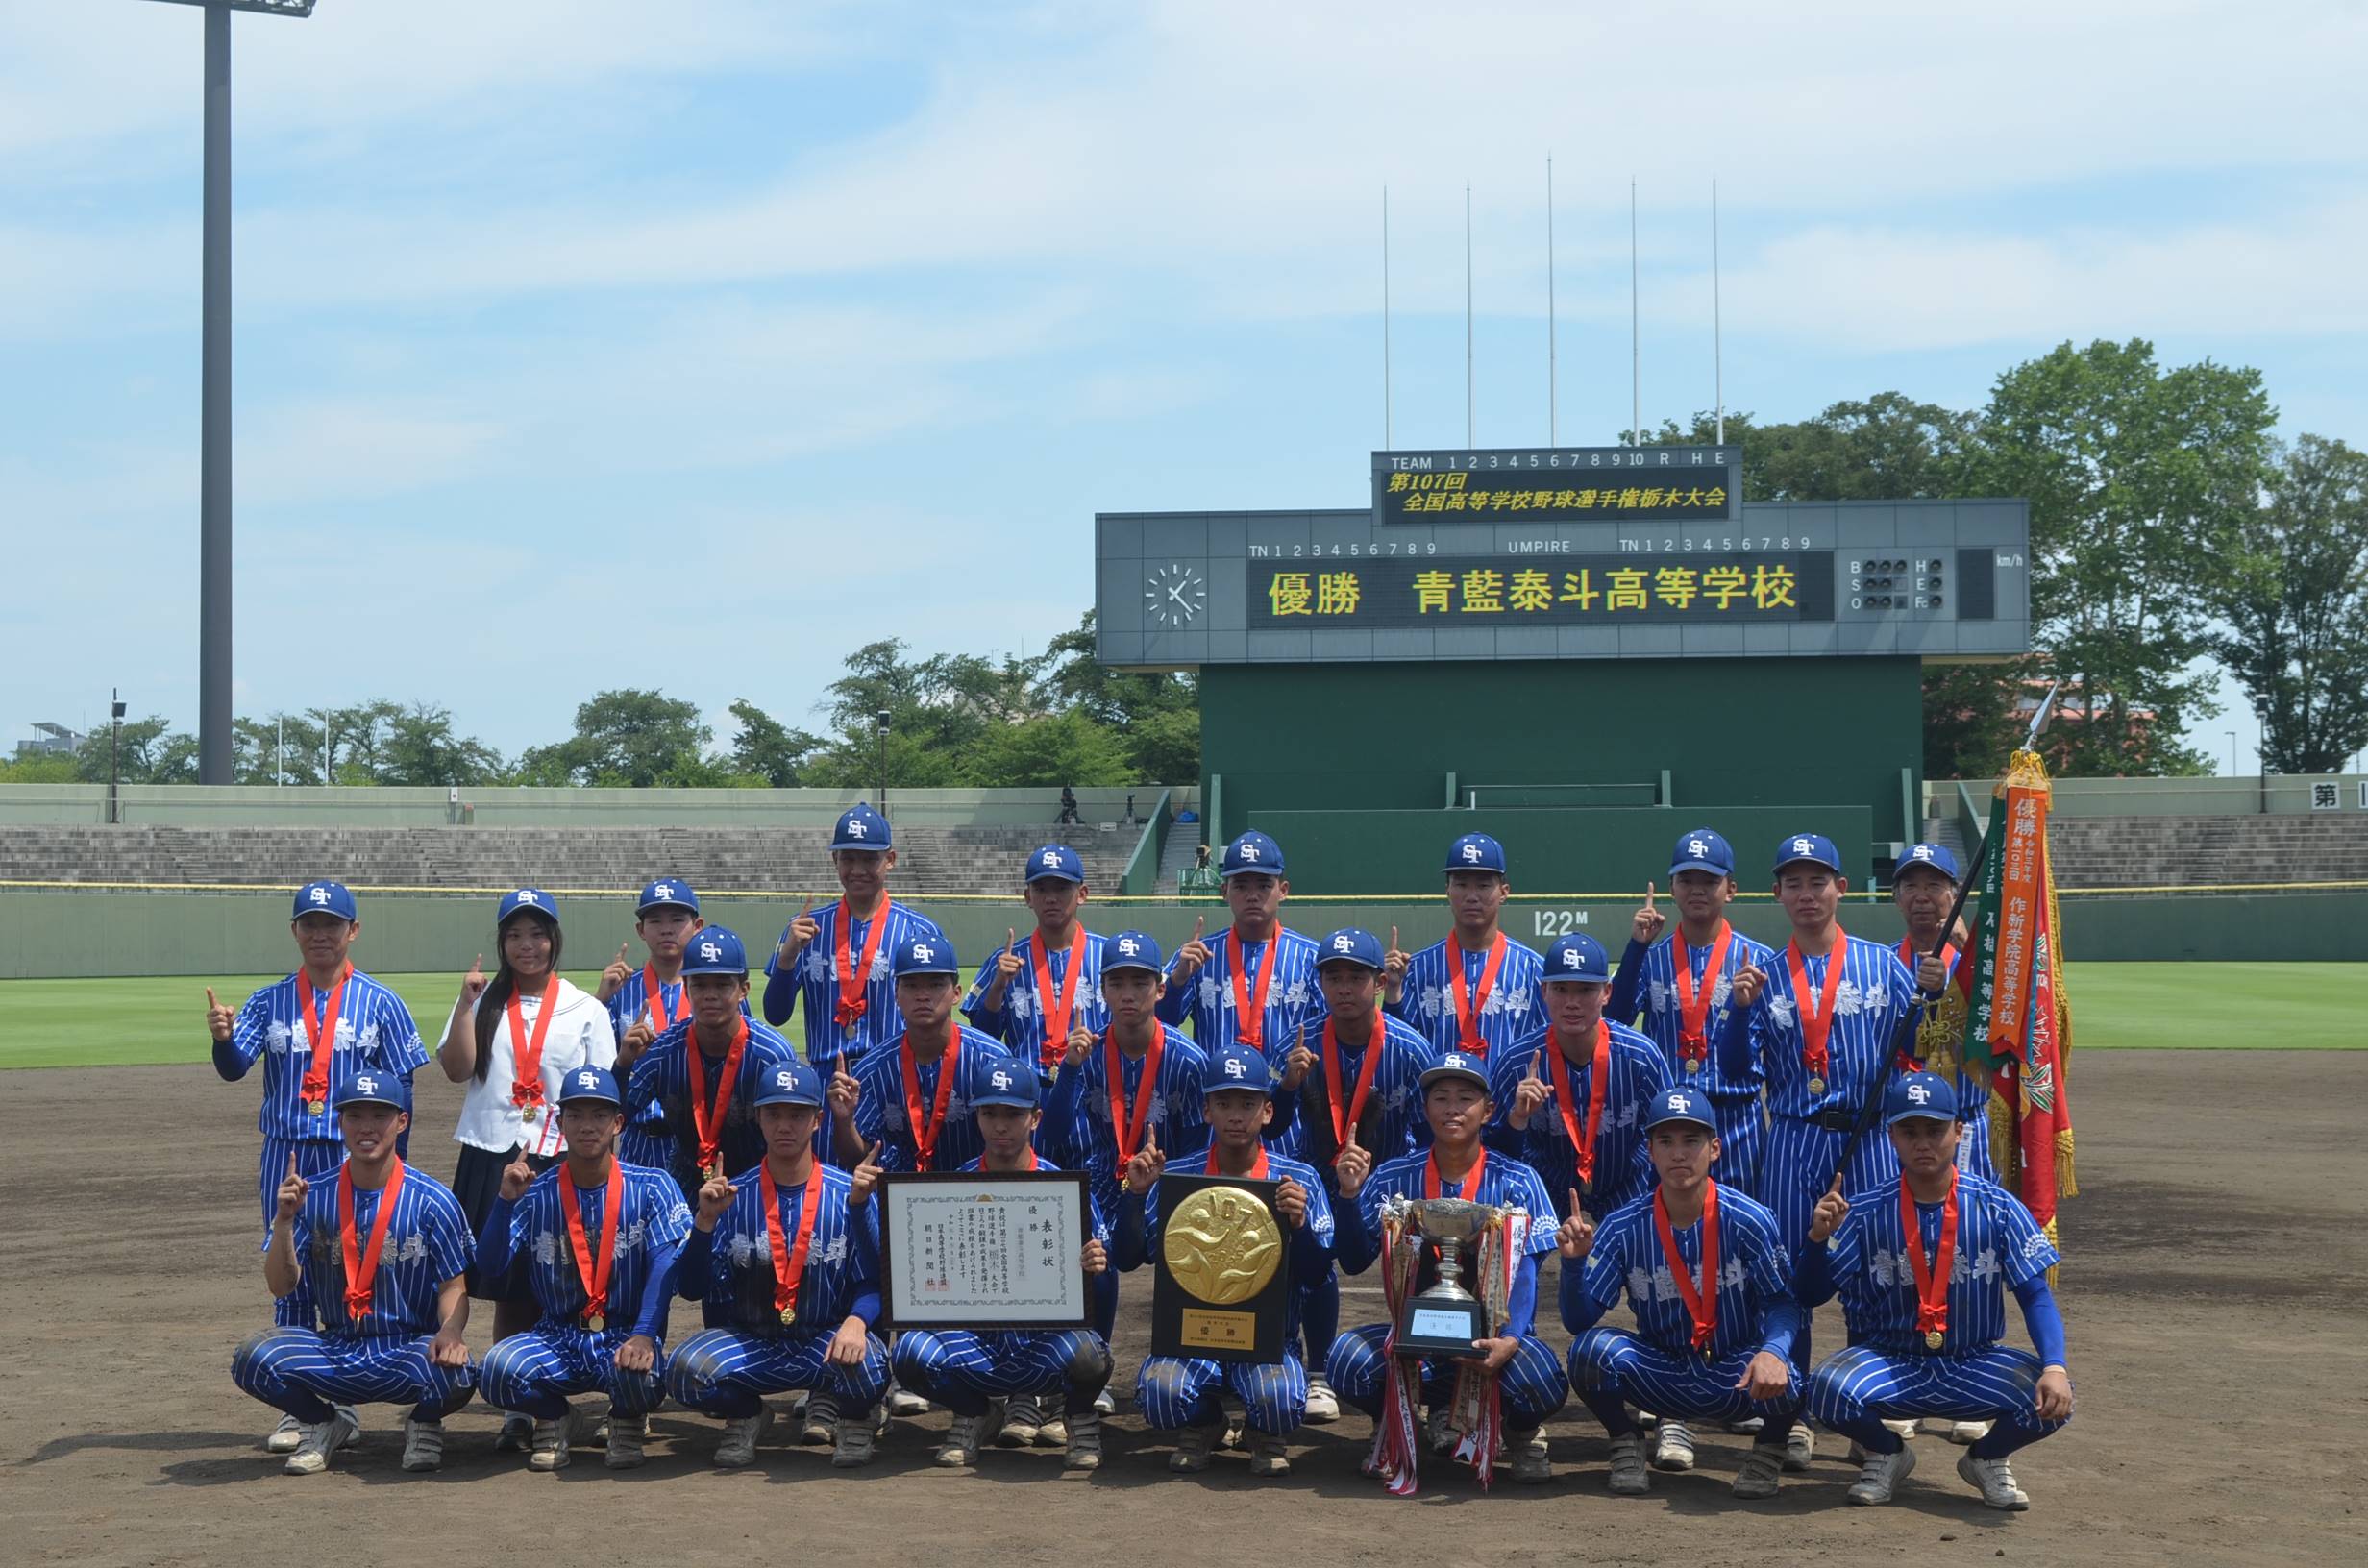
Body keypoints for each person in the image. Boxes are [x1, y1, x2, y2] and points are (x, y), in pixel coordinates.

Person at [1714, 832, 1919, 1469]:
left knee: (1872, 1277)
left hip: (1868, 1136)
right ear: (1777, 893)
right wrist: (1739, 1012)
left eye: (1818, 880)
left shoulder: (1887, 967)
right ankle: (1785, 1418)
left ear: (1842, 888)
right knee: (1785, 1282)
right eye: (1794, 883)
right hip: (1795, 1135)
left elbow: (1921, 1051)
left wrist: (1934, 994)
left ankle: (1867, 1419)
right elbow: (1735, 1073)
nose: (1807, 894)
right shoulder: (1762, 977)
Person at [205, 878, 430, 1453]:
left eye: (333, 924)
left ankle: (352, 1388)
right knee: (289, 1269)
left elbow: (403, 1089)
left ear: (353, 930)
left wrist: (395, 1165)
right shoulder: (269, 1000)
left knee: (359, 1263)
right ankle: (304, 1403)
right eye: (310, 924)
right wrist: (223, 1040)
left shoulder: (382, 1001)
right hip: (287, 1151)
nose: (321, 934)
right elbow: (233, 1069)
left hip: (355, 1152)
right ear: (295, 931)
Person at [1800, 1073, 2076, 1510]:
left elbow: (2035, 1296)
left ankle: (1986, 1458)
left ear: (1959, 1131)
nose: (1922, 1143)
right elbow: (1811, 1294)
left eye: (1935, 1130)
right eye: (1909, 1131)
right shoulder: (1867, 1209)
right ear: (1891, 1136)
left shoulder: (1997, 1206)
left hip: (1973, 1360)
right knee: (1822, 1389)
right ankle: (1887, 1453)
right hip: (1893, 1361)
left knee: (2055, 1398)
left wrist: (2056, 1366)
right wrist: (1816, 1240)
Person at [1329, 1051, 1569, 1486]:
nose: (1453, 1108)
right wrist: (1348, 1196)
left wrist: (1511, 1340)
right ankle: (1399, 1424)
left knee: (1542, 1379)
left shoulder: (1519, 1178)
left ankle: (1520, 1434)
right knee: (1346, 1361)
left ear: (1489, 1110)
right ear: (1425, 1109)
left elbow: (1527, 1270)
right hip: (1414, 1338)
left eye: (1465, 1098)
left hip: (1489, 1340)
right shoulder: (1392, 1176)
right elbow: (1352, 1258)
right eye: (1441, 1098)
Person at [433, 887, 617, 1454]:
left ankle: (566, 1399)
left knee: (567, 1276)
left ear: (554, 940)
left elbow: (603, 1086)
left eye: (537, 933)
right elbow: (456, 1067)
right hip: (492, 1152)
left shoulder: (586, 1008)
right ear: (501, 942)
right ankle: (518, 1406)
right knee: (507, 1286)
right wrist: (466, 1004)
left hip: (560, 1154)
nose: (526, 945)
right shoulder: (482, 999)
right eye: (514, 934)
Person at [1158, 830, 1331, 1413]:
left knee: (1303, 1237)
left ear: (1282, 889)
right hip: (1224, 1120)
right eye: (1240, 883)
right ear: (1225, 889)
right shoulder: (1198, 953)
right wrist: (1178, 978)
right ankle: (1201, 1356)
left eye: (1263, 883)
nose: (1252, 893)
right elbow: (1156, 1019)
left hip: (1291, 1124)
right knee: (1214, 1239)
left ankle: (1316, 1368)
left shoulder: (1309, 958)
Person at [1560, 1087, 1803, 1499]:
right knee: (1589, 1351)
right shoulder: (1623, 1226)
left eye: (1691, 1141)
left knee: (1789, 1374)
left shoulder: (1750, 1219)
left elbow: (1782, 1303)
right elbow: (1578, 1319)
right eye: (1665, 1142)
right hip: (1662, 1370)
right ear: (1650, 1152)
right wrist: (1572, 1264)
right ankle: (1626, 1440)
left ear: (1715, 1149)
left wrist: (1773, 1352)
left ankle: (1768, 1450)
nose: (1678, 1154)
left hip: (1733, 1371)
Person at [230, 1069, 475, 1476]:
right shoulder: (314, 1195)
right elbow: (281, 1284)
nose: (366, 1128)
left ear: (402, 1121)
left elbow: (454, 1284)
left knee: (461, 1372)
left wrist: (450, 1332)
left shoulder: (433, 1200)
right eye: (354, 1116)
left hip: (408, 1348)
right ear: (339, 1122)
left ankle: (423, 1422)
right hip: (337, 1348)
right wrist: (285, 1224)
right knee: (252, 1358)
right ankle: (324, 1422)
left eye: (379, 1116)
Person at [1115, 1043, 1336, 1478]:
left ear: (1268, 1112)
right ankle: (1206, 1422)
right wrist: (1136, 1196)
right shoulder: (1179, 1175)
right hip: (1190, 1339)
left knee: (1282, 1403)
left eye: (1248, 1103)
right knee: (1159, 1395)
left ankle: (1259, 1429)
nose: (1237, 1114)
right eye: (1224, 1103)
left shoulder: (1298, 1178)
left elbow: (1317, 1274)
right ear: (1207, 1111)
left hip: (1269, 1340)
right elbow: (1128, 1258)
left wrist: (1300, 1226)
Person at [889, 1061, 1113, 1470]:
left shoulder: (1063, 1188)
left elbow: (1098, 1290)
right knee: (909, 1352)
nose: (1001, 1125)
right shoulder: (953, 1187)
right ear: (976, 1117)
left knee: (1090, 1354)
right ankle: (975, 1412)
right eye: (990, 1113)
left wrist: (1095, 1268)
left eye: (1013, 1114)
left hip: (1041, 1349)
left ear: (1035, 1118)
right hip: (977, 1346)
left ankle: (1078, 1416)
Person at [668, 1060, 890, 1469]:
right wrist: (704, 1224)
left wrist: (857, 1321)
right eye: (774, 1114)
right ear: (758, 1119)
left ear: (818, 1121)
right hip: (753, 1343)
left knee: (873, 1363)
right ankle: (749, 1413)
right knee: (683, 1370)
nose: (784, 1125)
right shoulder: (733, 1196)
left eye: (797, 1114)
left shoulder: (847, 1194)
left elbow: (875, 1281)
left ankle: (856, 1418)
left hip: (823, 1341)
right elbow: (692, 1287)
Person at [474, 1066, 692, 1471]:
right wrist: (504, 1201)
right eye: (575, 1115)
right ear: (560, 1123)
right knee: (495, 1371)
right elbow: (490, 1264)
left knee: (642, 1375)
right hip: (556, 1335)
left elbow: (666, 1265)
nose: (587, 1126)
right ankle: (557, 1417)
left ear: (618, 1123)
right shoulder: (536, 1192)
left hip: (625, 1332)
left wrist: (644, 1335)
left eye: (599, 1115)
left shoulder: (653, 1186)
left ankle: (626, 1418)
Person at [1037, 929, 1207, 1418]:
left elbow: (1198, 1147)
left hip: (1166, 1188)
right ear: (1103, 991)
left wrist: (1165, 1187)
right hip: (1100, 1189)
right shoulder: (1083, 1056)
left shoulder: (1187, 1060)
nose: (1128, 993)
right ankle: (1095, 1365)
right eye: (1117, 983)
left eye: (1140, 982)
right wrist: (1067, 1070)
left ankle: (1192, 1363)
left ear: (1160, 989)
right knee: (1098, 1250)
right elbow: (1049, 1139)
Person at [1888, 839, 2000, 1446]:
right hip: (1905, 1136)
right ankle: (1904, 1386)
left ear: (1955, 895)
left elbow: (1995, 1050)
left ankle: (1969, 1391)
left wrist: (1953, 984)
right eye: (1910, 885)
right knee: (1905, 1258)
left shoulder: (1981, 972)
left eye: (1935, 885)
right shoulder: (1882, 964)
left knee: (1969, 1258)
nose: (1923, 897)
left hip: (1966, 1130)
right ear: (1897, 896)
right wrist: (1920, 993)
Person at [1606, 828, 1777, 1194]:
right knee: (1666, 1230)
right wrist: (1636, 947)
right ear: (1672, 887)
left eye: (1709, 880)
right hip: (1670, 1119)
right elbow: (1614, 1019)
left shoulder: (1759, 959)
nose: (1697, 889)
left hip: (1735, 1118)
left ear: (1731, 889)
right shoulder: (1651, 957)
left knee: (1737, 1228)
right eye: (1687, 879)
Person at [760, 802, 946, 1077]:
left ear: (890, 859)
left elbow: (941, 1022)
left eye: (869, 859)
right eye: (848, 858)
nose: (858, 869)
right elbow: (775, 1014)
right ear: (835, 860)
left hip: (896, 1074)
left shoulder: (919, 931)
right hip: (827, 1075)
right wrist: (787, 959)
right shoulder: (805, 928)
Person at [622, 927, 798, 1205]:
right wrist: (623, 1063)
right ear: (686, 989)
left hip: (757, 1185)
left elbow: (797, 1135)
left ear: (743, 990)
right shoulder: (664, 1051)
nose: (710, 995)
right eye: (700, 984)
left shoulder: (772, 1054)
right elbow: (615, 1116)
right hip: (686, 1184)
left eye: (722, 984)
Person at [1383, 833, 1545, 1061]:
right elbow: (1396, 1049)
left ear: (1504, 891)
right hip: (1440, 1094)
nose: (1471, 896)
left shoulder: (1535, 970)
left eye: (1483, 885)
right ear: (1447, 890)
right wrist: (1393, 992)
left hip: (1510, 1095)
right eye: (1461, 884)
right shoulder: (1417, 970)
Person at [962, 844, 1109, 1083]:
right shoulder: (1005, 961)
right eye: (1041, 889)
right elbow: (982, 1040)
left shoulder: (1107, 956)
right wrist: (997, 987)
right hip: (1026, 1097)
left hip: (1094, 1091)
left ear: (1082, 894)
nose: (1051, 898)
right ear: (1028, 897)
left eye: (1062, 888)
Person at [598, 877, 705, 1172]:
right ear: (641, 930)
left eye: (678, 919)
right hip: (639, 1139)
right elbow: (598, 1069)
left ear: (698, 927)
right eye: (655, 920)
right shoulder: (621, 991)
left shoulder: (715, 992)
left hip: (700, 1139)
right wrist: (599, 1000)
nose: (667, 929)